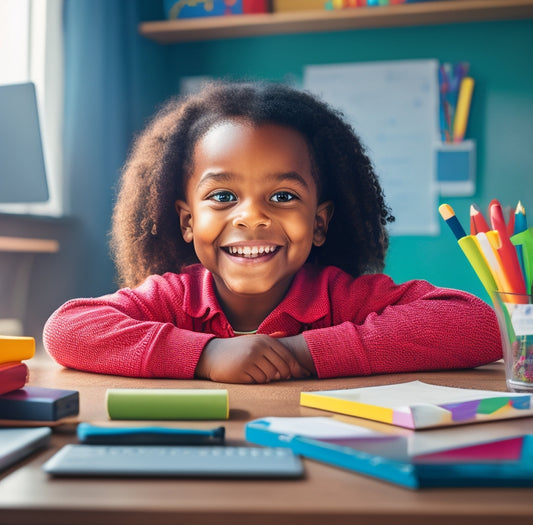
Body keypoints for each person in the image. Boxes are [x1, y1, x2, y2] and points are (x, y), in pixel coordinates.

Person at [43, 81, 502, 383]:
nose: (252, 218)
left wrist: (300, 352)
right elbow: (66, 330)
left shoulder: (340, 300)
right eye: (222, 197)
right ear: (187, 221)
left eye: (282, 197)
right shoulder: (171, 299)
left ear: (319, 223)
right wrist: (207, 356)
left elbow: (477, 324)